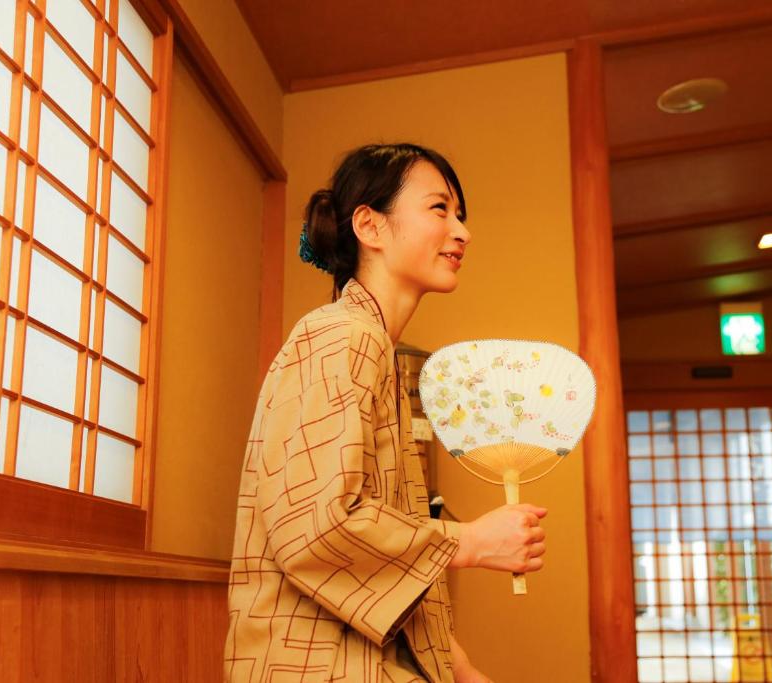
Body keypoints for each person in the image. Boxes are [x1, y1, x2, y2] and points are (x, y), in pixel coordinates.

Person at [224, 143, 548, 683]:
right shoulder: (342, 336)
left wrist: (460, 669)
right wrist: (470, 541)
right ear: (370, 226)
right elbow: (317, 527)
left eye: (460, 214)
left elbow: (381, 552)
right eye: (440, 209)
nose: (463, 232)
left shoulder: (372, 344)